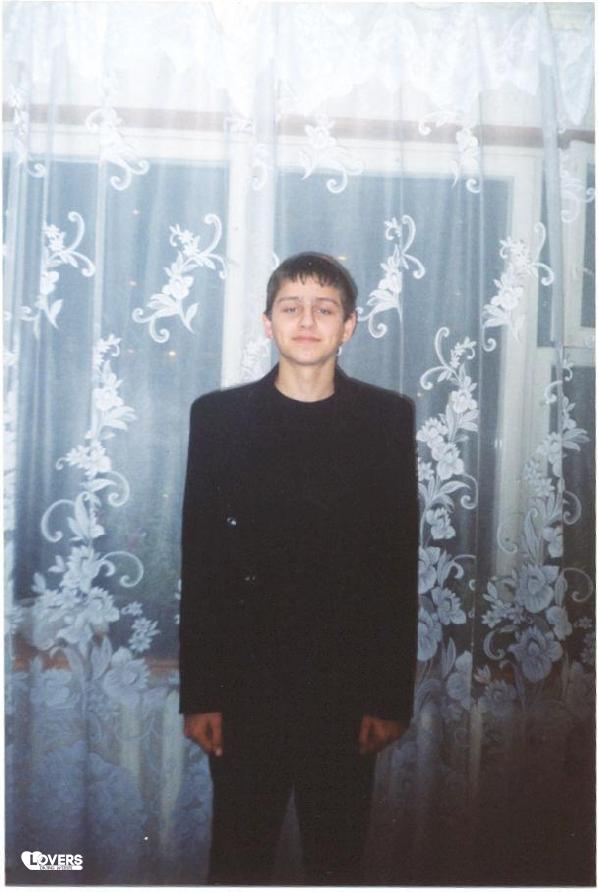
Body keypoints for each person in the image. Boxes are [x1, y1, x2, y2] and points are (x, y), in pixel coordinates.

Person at [179, 252, 418, 885]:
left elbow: (396, 566)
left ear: (348, 326)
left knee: (336, 860)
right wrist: (201, 695)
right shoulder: (219, 419)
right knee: (238, 858)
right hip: (245, 688)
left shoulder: (386, 420)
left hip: (343, 690)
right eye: (291, 307)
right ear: (268, 323)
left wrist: (389, 698)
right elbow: (201, 564)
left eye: (324, 308)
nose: (307, 321)